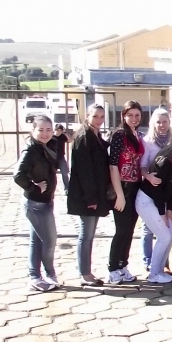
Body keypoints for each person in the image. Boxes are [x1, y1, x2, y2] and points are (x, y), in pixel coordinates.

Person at [135, 129, 172, 284]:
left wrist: (169, 210)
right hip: (147, 201)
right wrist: (162, 212)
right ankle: (154, 273)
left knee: (171, 236)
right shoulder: (165, 161)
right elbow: (158, 189)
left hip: (159, 203)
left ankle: (160, 271)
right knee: (164, 236)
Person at [14, 115, 59, 292]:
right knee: (50, 240)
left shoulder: (46, 147)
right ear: (32, 131)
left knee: (37, 240)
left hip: (45, 202)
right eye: (40, 130)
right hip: (35, 204)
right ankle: (47, 274)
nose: (45, 133)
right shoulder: (31, 150)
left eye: (48, 130)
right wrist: (34, 187)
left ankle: (36, 276)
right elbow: (18, 175)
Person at [67, 104, 110, 287]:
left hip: (95, 194)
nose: (99, 120)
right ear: (87, 116)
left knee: (90, 235)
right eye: (95, 116)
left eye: (102, 117)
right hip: (86, 197)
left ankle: (87, 272)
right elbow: (84, 171)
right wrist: (91, 199)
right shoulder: (84, 136)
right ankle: (84, 274)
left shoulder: (95, 135)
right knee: (86, 236)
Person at [108, 101, 145, 284]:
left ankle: (123, 265)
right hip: (121, 188)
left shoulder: (137, 135)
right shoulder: (119, 135)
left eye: (137, 115)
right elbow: (113, 166)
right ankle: (113, 268)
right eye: (130, 115)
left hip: (135, 187)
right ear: (123, 116)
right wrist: (119, 195)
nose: (134, 118)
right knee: (121, 230)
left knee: (129, 230)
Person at [140, 108, 172, 274]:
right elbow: (142, 165)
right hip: (150, 189)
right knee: (148, 228)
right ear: (153, 123)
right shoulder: (147, 142)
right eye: (158, 122)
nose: (161, 125)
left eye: (164, 121)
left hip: (165, 189)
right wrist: (148, 176)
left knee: (165, 228)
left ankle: (163, 262)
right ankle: (148, 260)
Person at [52, 124, 70, 194]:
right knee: (51, 174)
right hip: (53, 158)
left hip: (61, 157)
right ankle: (51, 189)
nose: (58, 132)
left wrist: (65, 133)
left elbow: (70, 140)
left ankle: (67, 188)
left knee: (65, 173)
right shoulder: (52, 137)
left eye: (60, 130)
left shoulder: (62, 137)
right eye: (57, 130)